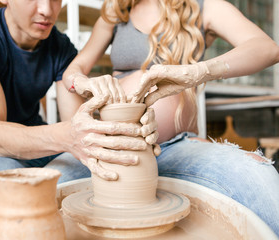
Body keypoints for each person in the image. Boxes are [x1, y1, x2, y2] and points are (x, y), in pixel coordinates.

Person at [63, 0, 279, 236]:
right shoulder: (116, 13)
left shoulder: (203, 7)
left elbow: (266, 48)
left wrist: (200, 71)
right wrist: (81, 82)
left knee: (258, 179)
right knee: (49, 187)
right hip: (108, 149)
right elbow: (74, 70)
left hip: (177, 147)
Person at [0, 0, 159, 238]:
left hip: (40, 140)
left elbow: (76, 123)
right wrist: (68, 137)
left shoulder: (60, 46)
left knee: (105, 170)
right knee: (0, 191)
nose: (47, 11)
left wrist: (130, 123)